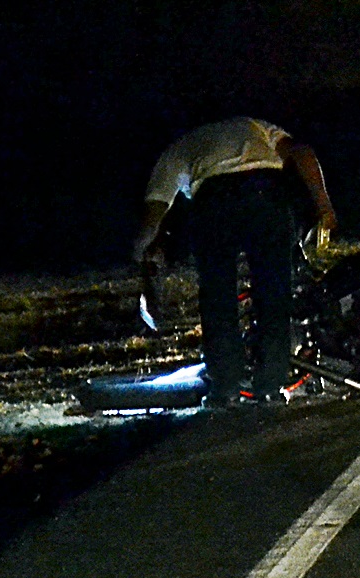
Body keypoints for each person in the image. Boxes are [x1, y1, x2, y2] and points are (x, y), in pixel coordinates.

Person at [132, 117, 337, 405]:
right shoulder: (256, 127)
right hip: (267, 196)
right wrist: (324, 206)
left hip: (215, 204)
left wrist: (144, 255)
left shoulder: (180, 148)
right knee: (274, 292)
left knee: (217, 297)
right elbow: (303, 152)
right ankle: (271, 385)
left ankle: (225, 387)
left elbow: (154, 212)